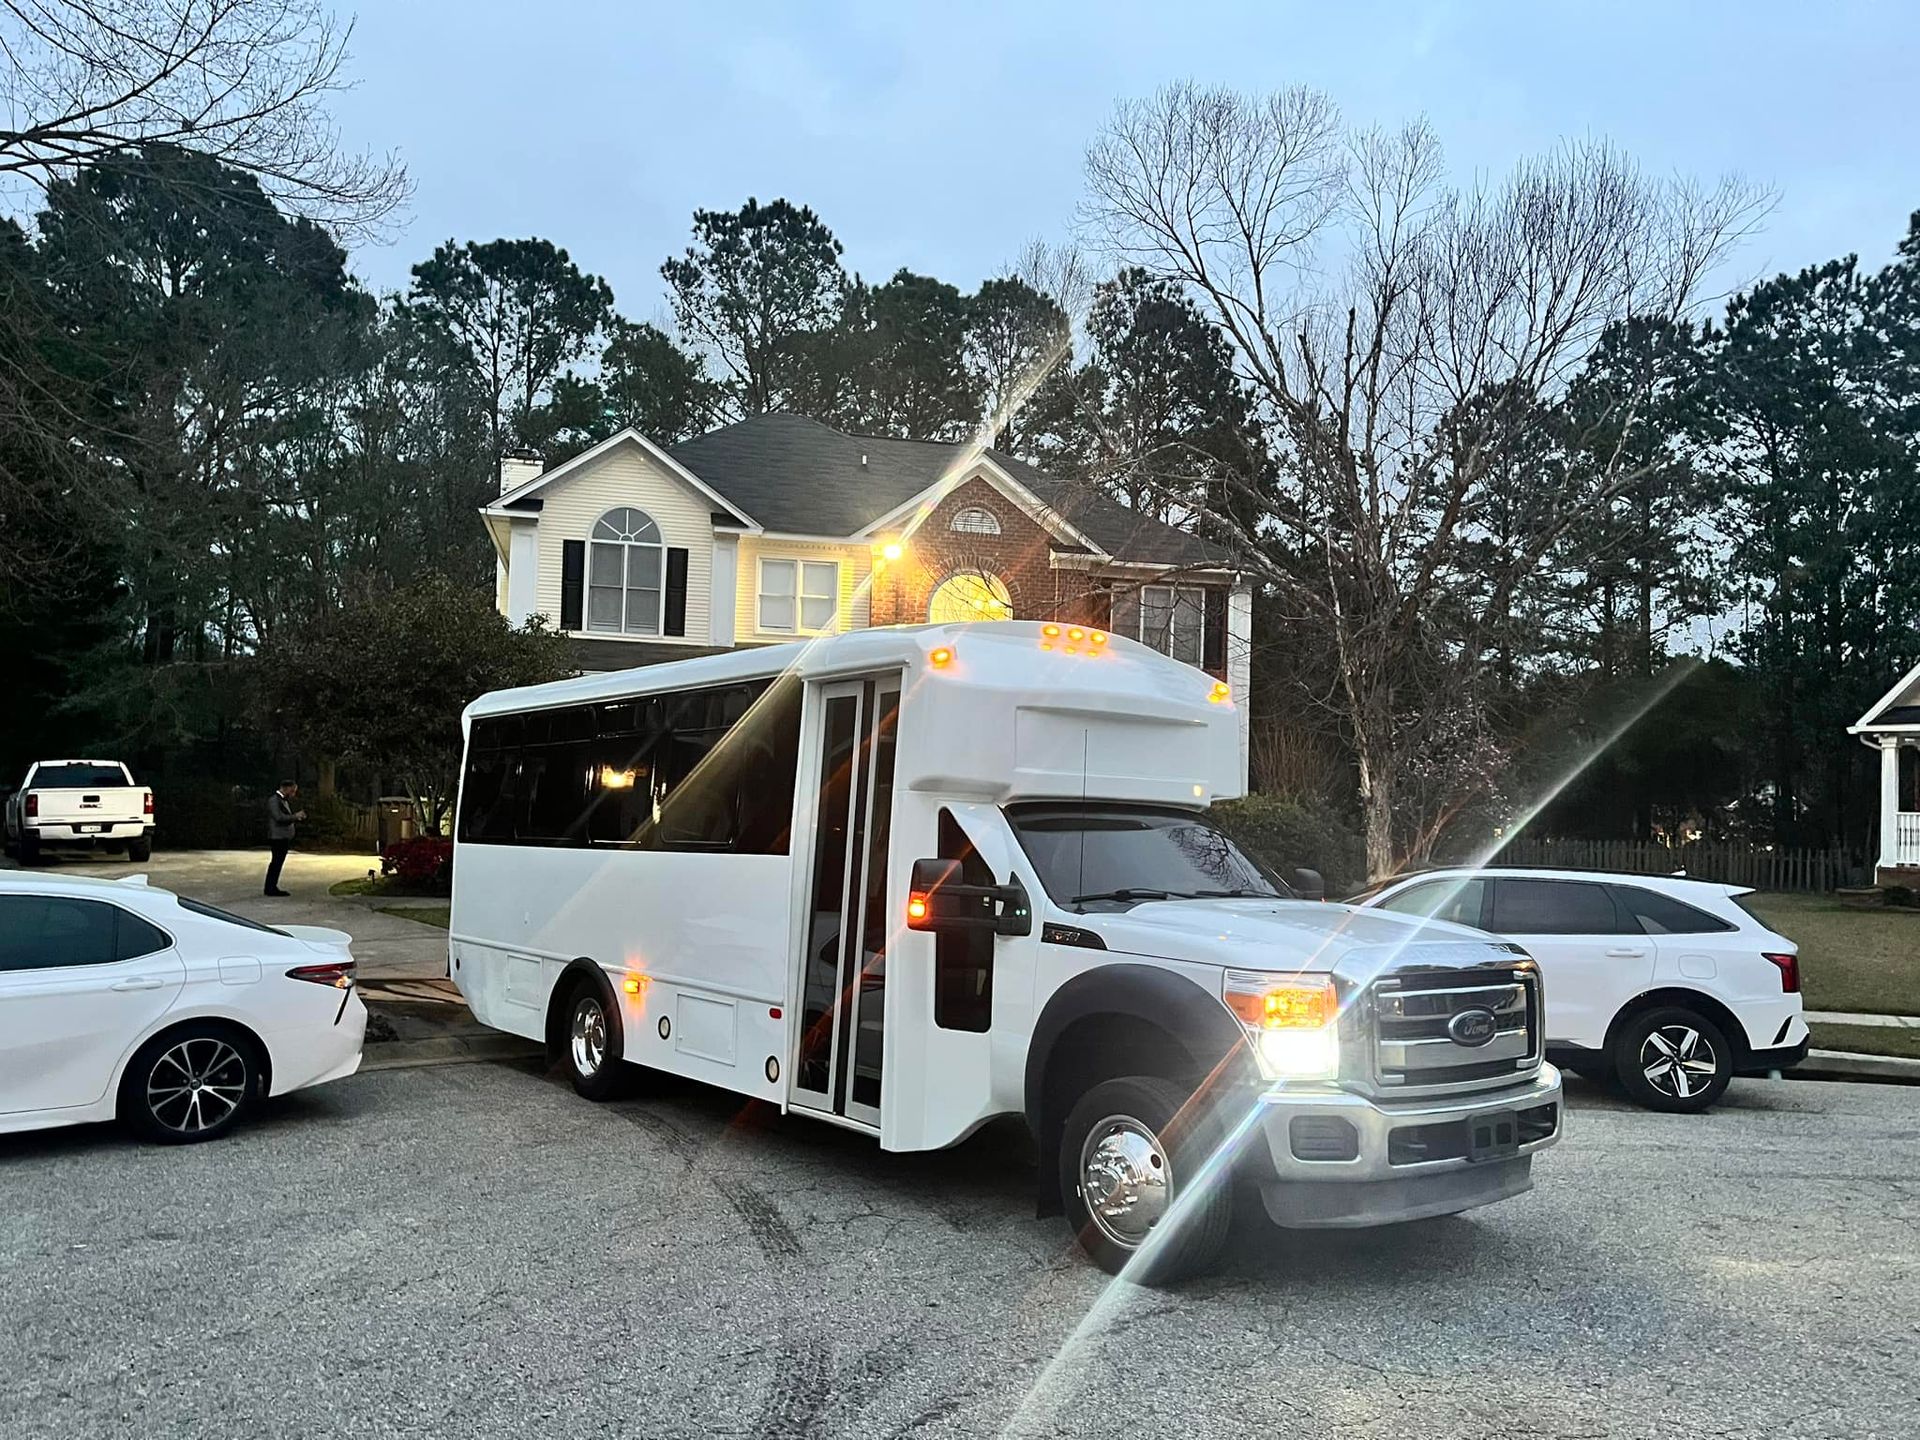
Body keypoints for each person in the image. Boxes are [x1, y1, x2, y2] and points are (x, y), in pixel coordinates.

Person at [265, 781, 305, 897]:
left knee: (278, 862)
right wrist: (295, 816)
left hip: (283, 836)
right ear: (285, 788)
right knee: (276, 862)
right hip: (277, 836)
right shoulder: (274, 800)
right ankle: (270, 887)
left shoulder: (282, 801)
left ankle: (272, 886)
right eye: (292, 791)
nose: (293, 794)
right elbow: (278, 817)